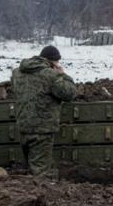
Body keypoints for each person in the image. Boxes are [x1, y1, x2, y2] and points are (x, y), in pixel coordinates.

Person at [11, 45, 76, 179]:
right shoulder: (51, 75)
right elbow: (69, 93)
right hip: (42, 130)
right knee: (41, 173)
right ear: (53, 62)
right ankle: (40, 196)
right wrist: (63, 74)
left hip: (23, 127)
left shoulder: (17, 73)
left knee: (32, 167)